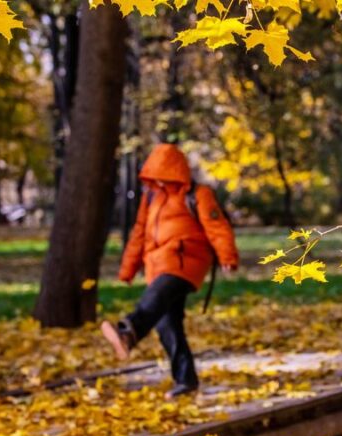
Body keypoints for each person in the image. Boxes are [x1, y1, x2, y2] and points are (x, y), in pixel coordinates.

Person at [101, 143, 239, 399]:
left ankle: (128, 331)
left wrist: (227, 256)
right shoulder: (151, 197)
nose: (159, 181)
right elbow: (140, 233)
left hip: (185, 261)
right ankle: (186, 381)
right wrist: (128, 268)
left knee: (155, 298)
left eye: (163, 174)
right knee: (167, 324)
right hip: (157, 264)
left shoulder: (198, 194)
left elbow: (217, 227)